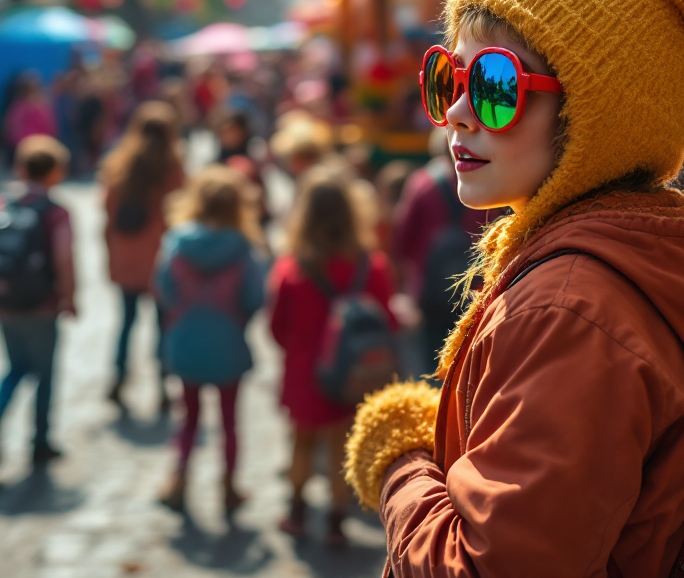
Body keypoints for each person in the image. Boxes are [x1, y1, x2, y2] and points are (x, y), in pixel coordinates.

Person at [342, 0, 684, 575]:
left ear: (597, 116)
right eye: (449, 78)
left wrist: (402, 459)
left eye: (497, 86)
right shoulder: (643, 260)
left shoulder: (567, 311)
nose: (459, 114)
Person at [268, 167, 397, 547]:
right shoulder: (370, 266)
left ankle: (296, 511)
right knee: (344, 448)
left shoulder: (291, 270)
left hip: (305, 372)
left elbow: (276, 328)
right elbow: (386, 319)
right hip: (351, 374)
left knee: (301, 443)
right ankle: (338, 521)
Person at [152, 165, 267, 514]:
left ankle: (179, 478)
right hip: (229, 344)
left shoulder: (176, 243)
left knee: (188, 418)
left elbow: (164, 290)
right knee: (229, 421)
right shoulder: (245, 250)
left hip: (185, 342)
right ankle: (229, 486)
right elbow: (254, 298)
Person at [0, 135, 76, 468]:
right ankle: (40, 440)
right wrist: (68, 297)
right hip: (42, 306)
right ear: (56, 172)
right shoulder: (56, 213)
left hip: (4, 306)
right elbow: (64, 259)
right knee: (44, 373)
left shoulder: (2, 204)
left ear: (21, 169)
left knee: (14, 367)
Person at [100, 101, 186, 411]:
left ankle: (119, 378)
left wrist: (109, 257)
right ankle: (163, 385)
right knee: (163, 326)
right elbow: (181, 215)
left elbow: (107, 215)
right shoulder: (173, 168)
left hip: (127, 259)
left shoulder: (118, 165)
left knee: (126, 324)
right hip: (161, 259)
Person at [390, 129, 488, 370]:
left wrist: (404, 287)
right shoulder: (486, 183)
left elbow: (403, 238)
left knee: (433, 360)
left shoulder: (422, 184)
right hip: (475, 286)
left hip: (429, 289)